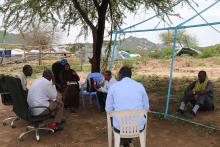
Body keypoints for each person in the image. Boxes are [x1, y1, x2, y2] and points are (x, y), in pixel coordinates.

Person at [105, 66, 149, 147]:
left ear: (120, 75)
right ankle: (127, 142)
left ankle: (124, 142)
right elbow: (146, 107)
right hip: (138, 126)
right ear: (130, 75)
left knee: (114, 118)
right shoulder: (140, 86)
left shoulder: (113, 87)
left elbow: (108, 109)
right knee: (131, 118)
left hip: (120, 127)